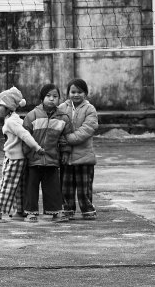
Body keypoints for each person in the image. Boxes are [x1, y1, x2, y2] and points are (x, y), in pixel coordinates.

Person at [0, 86, 43, 222]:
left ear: (9, 107)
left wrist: (36, 147)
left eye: (0, 105)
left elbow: (25, 134)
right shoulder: (16, 119)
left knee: (7, 184)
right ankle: (20, 211)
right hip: (20, 158)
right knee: (19, 185)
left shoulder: (11, 122)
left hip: (14, 158)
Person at [21, 83, 72, 223]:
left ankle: (56, 212)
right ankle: (31, 212)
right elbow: (25, 136)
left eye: (55, 96)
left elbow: (65, 138)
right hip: (33, 159)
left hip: (52, 159)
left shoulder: (63, 118)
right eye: (48, 96)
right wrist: (25, 155)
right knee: (31, 187)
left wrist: (65, 153)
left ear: (59, 99)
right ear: (42, 98)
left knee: (53, 187)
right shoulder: (32, 115)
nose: (51, 99)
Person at [59, 77, 99, 220]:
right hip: (66, 157)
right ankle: (67, 210)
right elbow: (57, 127)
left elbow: (88, 129)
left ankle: (88, 210)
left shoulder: (90, 109)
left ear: (85, 94)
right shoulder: (62, 108)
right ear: (68, 93)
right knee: (66, 188)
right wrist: (63, 142)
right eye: (73, 91)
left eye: (80, 92)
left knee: (84, 188)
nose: (76, 95)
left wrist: (68, 139)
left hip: (84, 157)